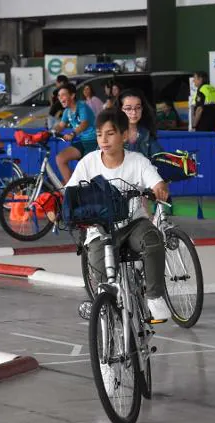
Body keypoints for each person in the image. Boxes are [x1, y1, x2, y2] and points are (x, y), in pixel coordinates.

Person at [66, 108, 172, 321]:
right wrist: (54, 205)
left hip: (134, 224)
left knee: (153, 239)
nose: (103, 140)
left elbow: (155, 181)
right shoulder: (88, 162)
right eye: (99, 134)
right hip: (101, 229)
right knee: (100, 274)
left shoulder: (138, 160)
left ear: (124, 135)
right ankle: (105, 307)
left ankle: (154, 297)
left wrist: (159, 187)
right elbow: (70, 190)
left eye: (110, 133)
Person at [53, 83, 97, 183]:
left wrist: (73, 134)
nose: (60, 98)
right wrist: (51, 131)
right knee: (60, 158)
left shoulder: (81, 106)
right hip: (81, 141)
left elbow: (84, 123)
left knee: (85, 172)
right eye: (59, 96)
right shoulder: (66, 112)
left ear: (72, 95)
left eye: (63, 95)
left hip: (93, 141)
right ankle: (70, 188)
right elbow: (61, 126)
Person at [118, 88, 163, 158]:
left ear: (142, 109)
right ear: (119, 110)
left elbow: (160, 159)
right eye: (128, 108)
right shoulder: (111, 132)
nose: (134, 112)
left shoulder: (146, 134)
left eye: (138, 108)